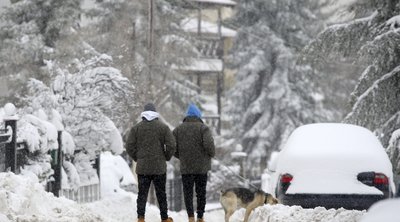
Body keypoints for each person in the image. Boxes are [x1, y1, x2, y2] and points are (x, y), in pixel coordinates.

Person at [126, 103, 176, 222]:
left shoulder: (136, 128)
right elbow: (172, 145)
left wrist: (137, 157)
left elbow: (129, 146)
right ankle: (164, 218)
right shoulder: (163, 128)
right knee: (161, 194)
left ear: (144, 114)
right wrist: (166, 157)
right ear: (155, 114)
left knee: (142, 194)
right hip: (159, 167)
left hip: (143, 168)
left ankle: (141, 217)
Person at [173, 103, 216, 222]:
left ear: (187, 115)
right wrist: (211, 154)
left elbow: (171, 147)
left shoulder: (178, 130)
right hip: (202, 167)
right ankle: (200, 217)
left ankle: (191, 217)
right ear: (198, 115)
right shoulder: (203, 128)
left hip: (186, 167)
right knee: (200, 192)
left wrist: (180, 155)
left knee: (188, 193)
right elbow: (209, 146)